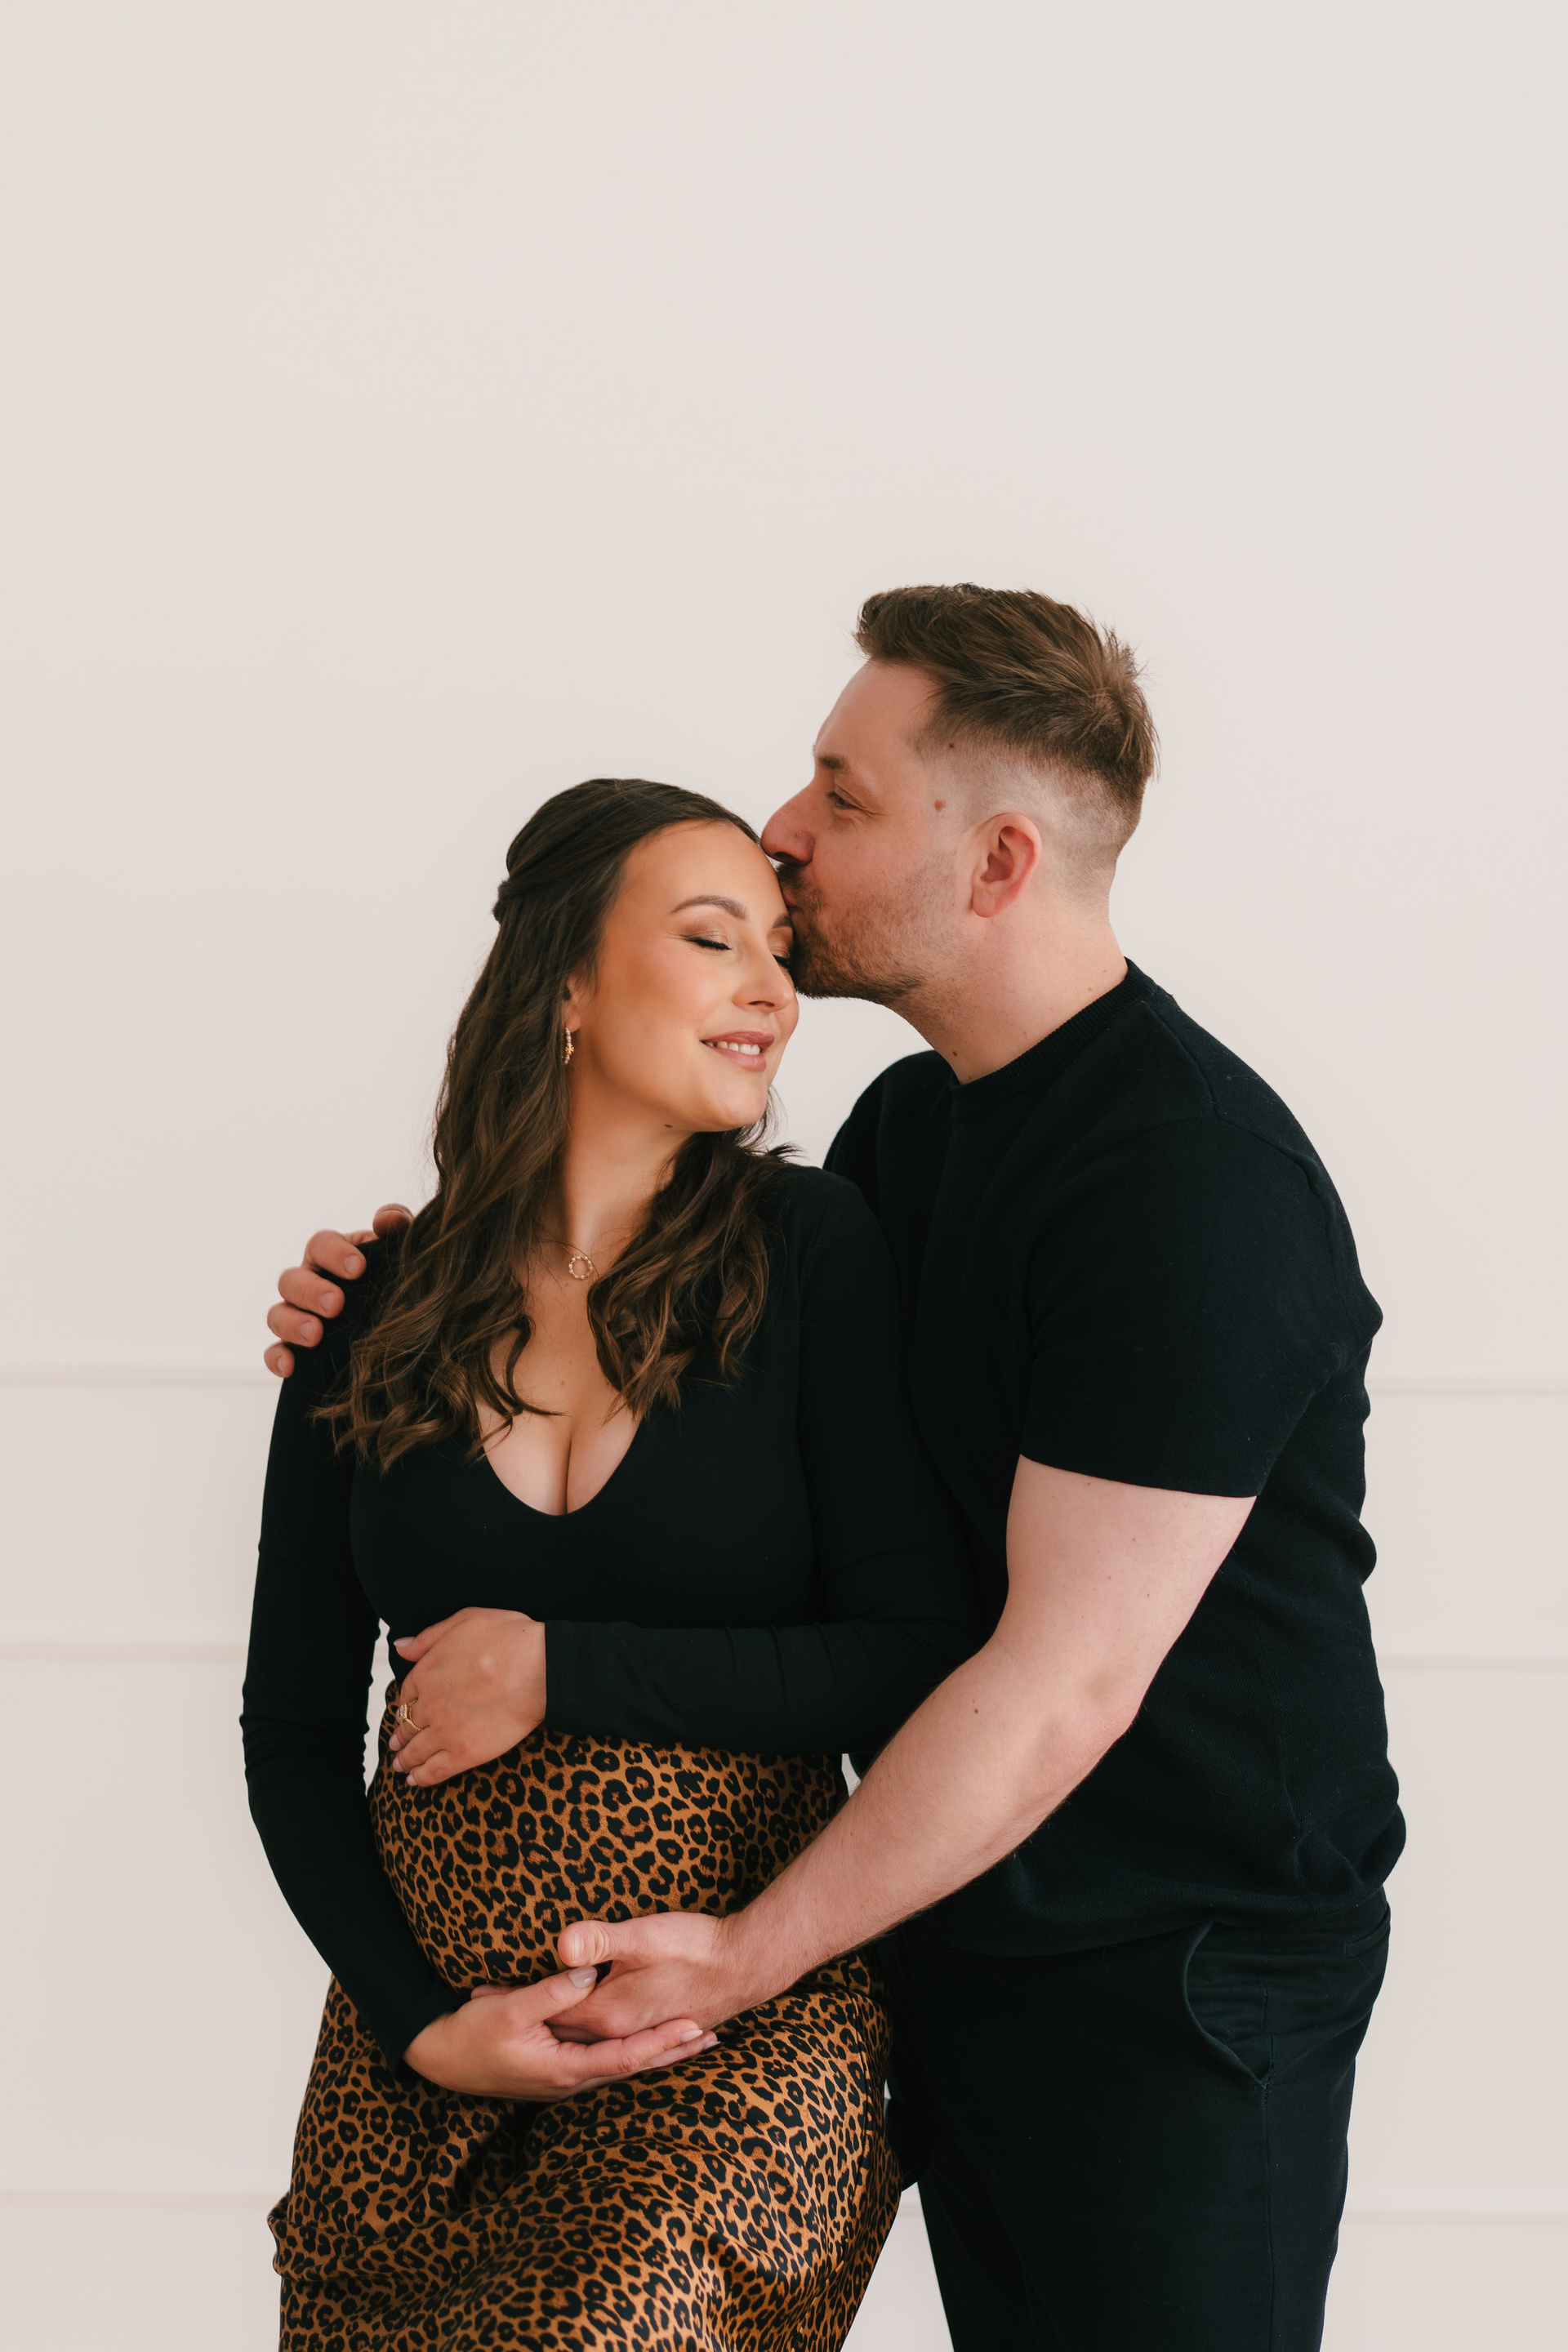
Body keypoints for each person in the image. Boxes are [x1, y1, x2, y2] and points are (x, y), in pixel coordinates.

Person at [270, 586, 1404, 2352]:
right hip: (943, 1919)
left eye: (844, 796)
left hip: (1177, 1970)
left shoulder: (1192, 1190)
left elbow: (1055, 1684)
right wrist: (390, 1297)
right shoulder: (906, 1138)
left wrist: (745, 1953)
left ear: (1000, 860)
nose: (789, 832)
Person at [243, 777, 975, 2351]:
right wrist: (424, 2026)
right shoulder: (369, 1307)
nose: (772, 989)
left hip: (731, 2035)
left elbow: (915, 1645)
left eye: (778, 949)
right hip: (421, 2069)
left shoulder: (812, 1251)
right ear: (567, 981)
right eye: (715, 939)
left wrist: (561, 1667)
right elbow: (291, 1733)